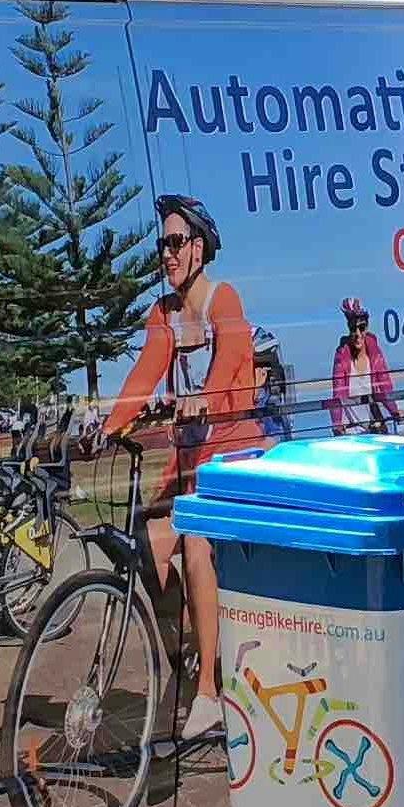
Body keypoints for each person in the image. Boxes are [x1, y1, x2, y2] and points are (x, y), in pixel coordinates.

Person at [105, 194, 258, 704]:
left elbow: (230, 360)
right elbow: (143, 376)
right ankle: (191, 644)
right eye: (161, 245)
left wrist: (203, 400)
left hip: (234, 458)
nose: (166, 254)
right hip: (190, 467)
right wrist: (105, 427)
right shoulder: (164, 315)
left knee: (194, 540)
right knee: (148, 540)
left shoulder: (224, 300)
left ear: (199, 248)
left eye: (175, 242)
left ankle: (210, 694)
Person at [330, 296, 402, 435]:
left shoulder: (375, 352)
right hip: (351, 428)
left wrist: (394, 411)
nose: (357, 334)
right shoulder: (342, 356)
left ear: (367, 328)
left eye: (361, 328)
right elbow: (337, 394)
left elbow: (384, 386)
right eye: (353, 329)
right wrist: (337, 424)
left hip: (375, 424)